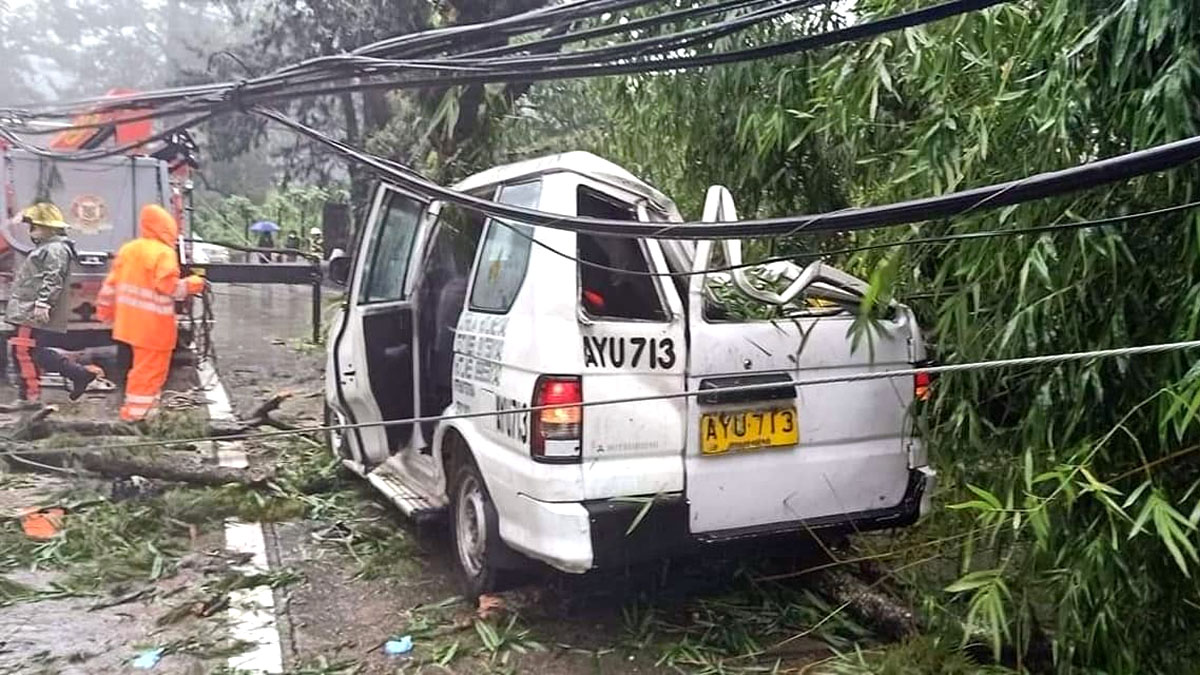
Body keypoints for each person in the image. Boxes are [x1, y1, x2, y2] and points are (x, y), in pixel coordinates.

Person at [96, 204, 205, 421]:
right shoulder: (163, 253)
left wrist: (105, 311)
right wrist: (194, 283)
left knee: (139, 370)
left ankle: (140, 411)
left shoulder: (129, 249)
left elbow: (110, 285)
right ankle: (137, 417)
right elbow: (170, 288)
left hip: (128, 325)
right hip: (153, 328)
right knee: (150, 373)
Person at [6, 203, 97, 401]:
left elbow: (53, 278)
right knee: (33, 351)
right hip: (27, 309)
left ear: (49, 228)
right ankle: (78, 374)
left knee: (23, 350)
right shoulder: (49, 248)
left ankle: (30, 398)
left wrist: (43, 303)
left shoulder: (55, 249)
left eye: (35, 227)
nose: (32, 232)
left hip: (30, 310)